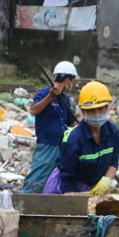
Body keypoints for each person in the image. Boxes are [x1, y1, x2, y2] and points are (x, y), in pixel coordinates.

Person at [43, 81, 119, 195]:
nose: (97, 113)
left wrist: (106, 181)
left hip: (95, 185)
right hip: (69, 186)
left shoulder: (112, 131)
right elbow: (67, 178)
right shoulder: (73, 139)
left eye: (100, 108)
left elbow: (114, 160)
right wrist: (72, 200)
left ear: (107, 108)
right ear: (83, 111)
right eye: (91, 110)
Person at [20, 61, 78, 193]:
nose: (71, 85)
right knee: (39, 175)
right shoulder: (44, 93)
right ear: (68, 80)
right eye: (71, 81)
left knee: (56, 178)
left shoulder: (65, 99)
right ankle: (27, 199)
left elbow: (71, 121)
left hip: (61, 145)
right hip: (47, 144)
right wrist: (50, 97)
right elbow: (34, 111)